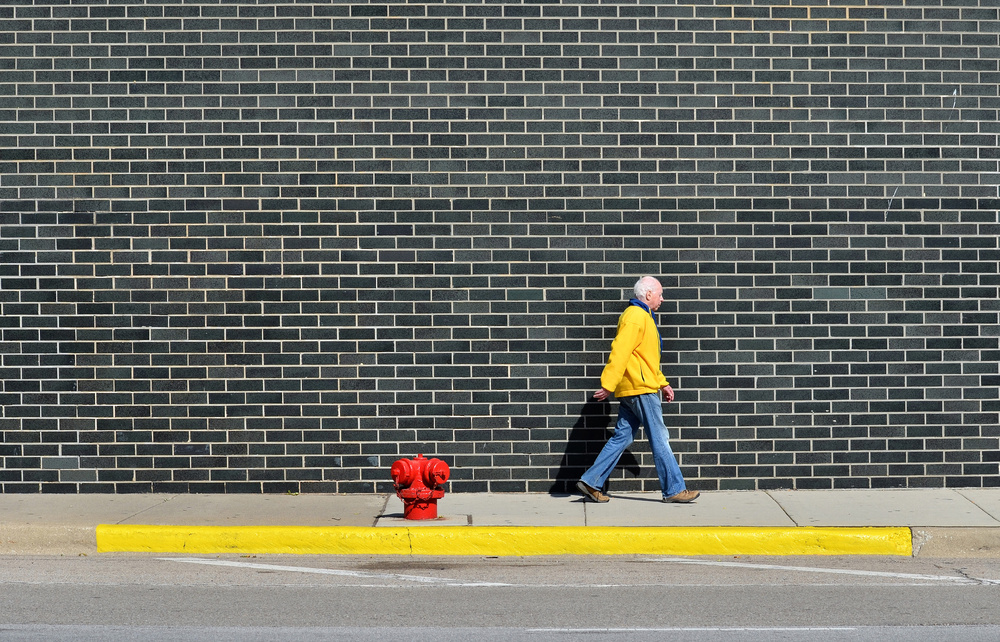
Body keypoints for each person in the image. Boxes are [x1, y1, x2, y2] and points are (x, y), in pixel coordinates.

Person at [576, 276, 700, 504]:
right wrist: (608, 384)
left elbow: (646, 359)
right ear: (649, 294)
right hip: (641, 389)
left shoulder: (643, 316)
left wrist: (662, 382)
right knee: (660, 438)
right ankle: (674, 489)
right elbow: (620, 350)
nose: (663, 299)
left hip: (635, 387)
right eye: (660, 294)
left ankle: (591, 481)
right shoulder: (635, 316)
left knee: (622, 438)